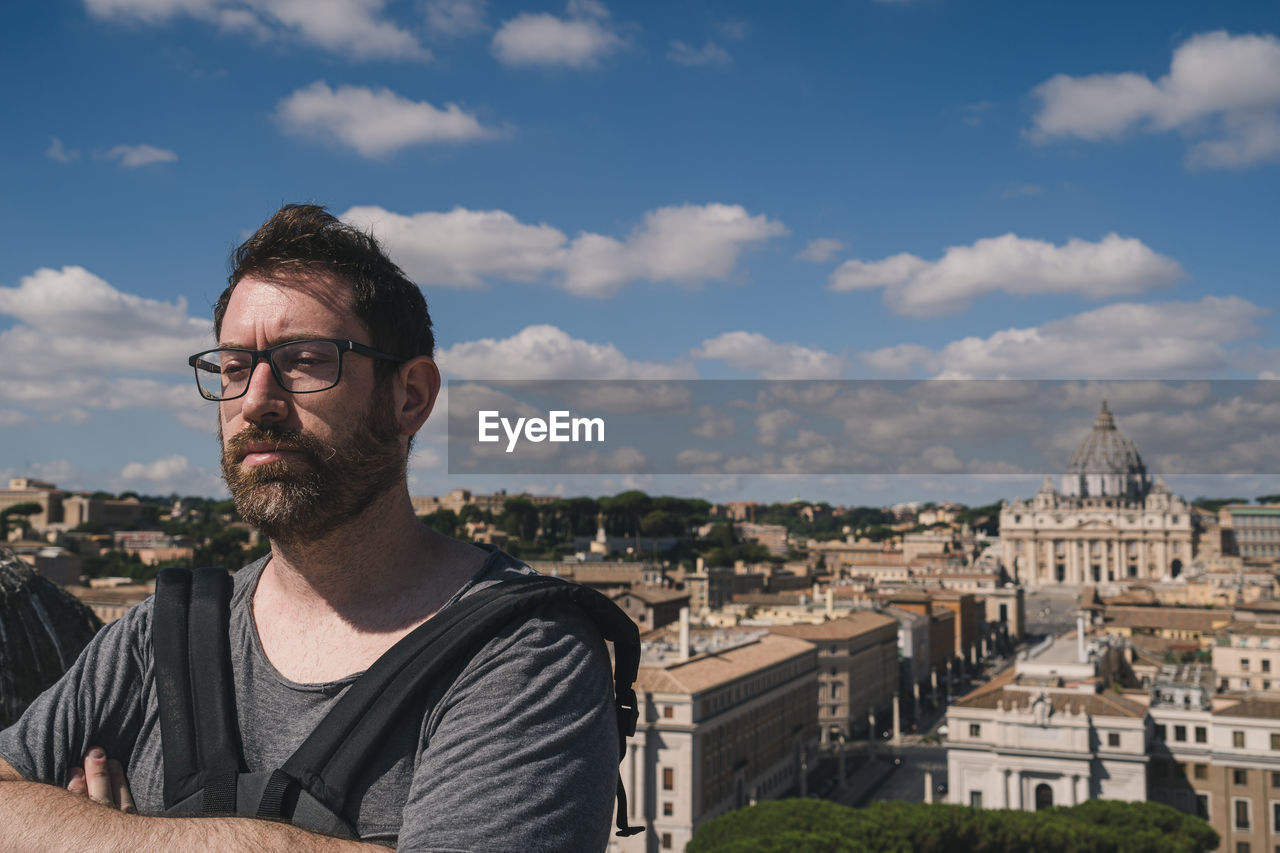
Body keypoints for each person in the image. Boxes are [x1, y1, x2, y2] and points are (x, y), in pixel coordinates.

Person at [0, 204, 620, 850]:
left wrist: (106, 836)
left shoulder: (528, 651)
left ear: (410, 396)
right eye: (235, 367)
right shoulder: (159, 636)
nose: (256, 400)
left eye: (303, 360)